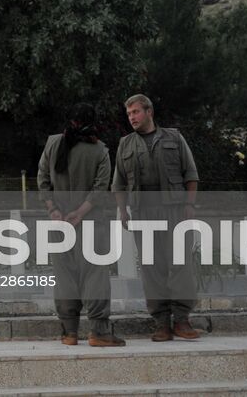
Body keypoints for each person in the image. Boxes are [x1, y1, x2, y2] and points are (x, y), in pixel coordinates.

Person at [110, 92, 200, 341]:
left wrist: (190, 206)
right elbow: (118, 184)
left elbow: (190, 174)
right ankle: (161, 322)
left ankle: (182, 320)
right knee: (151, 267)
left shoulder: (174, 137)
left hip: (174, 210)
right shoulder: (125, 144)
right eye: (128, 114)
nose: (132, 118)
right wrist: (123, 211)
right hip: (143, 213)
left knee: (180, 264)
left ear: (149, 112)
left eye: (136, 112)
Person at [37, 102, 124, 347]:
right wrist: (80, 212)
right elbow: (100, 188)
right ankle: (99, 332)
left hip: (58, 223)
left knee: (64, 276)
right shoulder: (99, 150)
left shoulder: (53, 144)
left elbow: (42, 179)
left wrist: (53, 210)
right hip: (90, 223)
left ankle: (69, 332)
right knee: (94, 275)